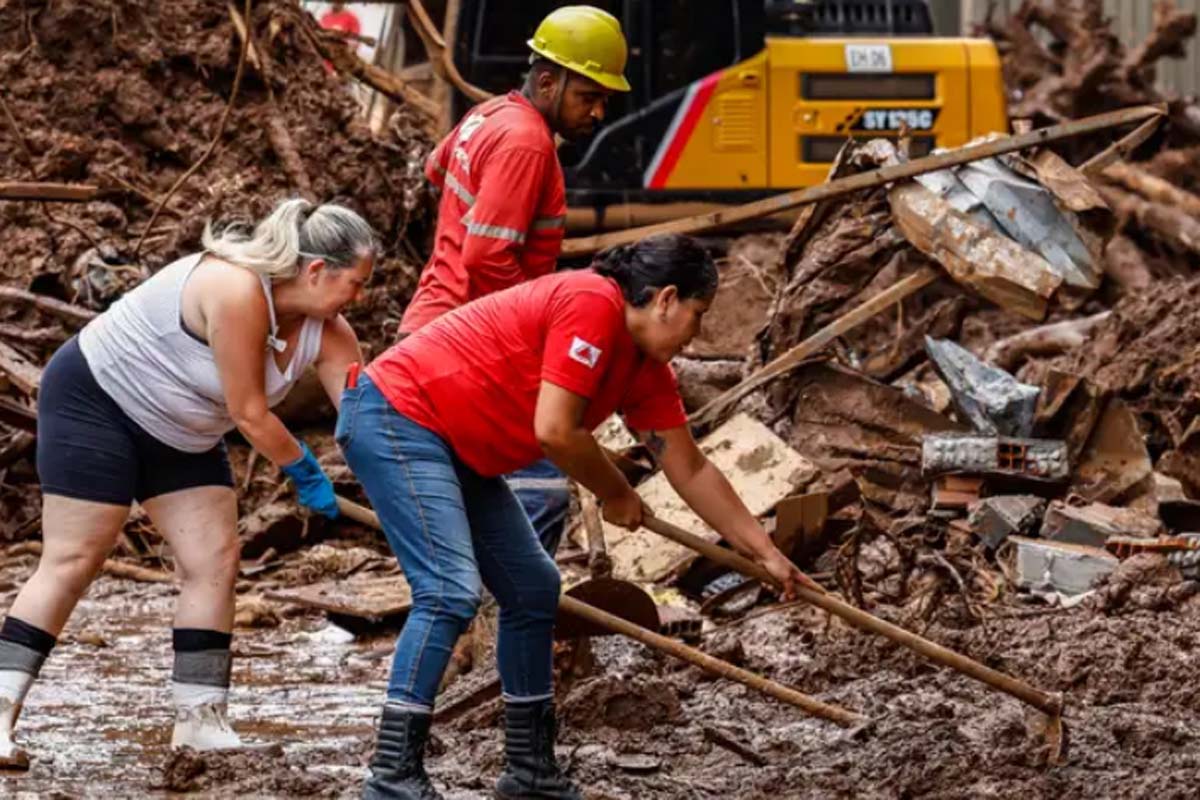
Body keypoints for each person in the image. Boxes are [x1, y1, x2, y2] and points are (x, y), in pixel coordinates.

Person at [338, 234, 819, 799]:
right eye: (697, 315)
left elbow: (689, 468)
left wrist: (764, 552)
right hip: (398, 417)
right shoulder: (592, 302)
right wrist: (617, 493)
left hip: (457, 447)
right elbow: (556, 430)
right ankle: (392, 778)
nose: (696, 335)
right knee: (447, 591)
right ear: (665, 299)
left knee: (533, 587)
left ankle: (529, 772)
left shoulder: (646, 371)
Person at [0, 199, 376, 768]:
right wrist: (304, 471)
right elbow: (249, 413)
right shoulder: (236, 290)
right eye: (356, 283)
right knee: (75, 557)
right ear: (317, 271)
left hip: (182, 430)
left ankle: (200, 718)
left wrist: (399, 481)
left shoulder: (331, 334)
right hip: (97, 400)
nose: (360, 297)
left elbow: (365, 418)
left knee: (216, 562)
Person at [401, 5, 631, 556]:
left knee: (472, 500)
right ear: (548, 80)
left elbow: (436, 169)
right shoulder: (527, 143)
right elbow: (487, 258)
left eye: (604, 100)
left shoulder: (489, 115)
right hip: (469, 347)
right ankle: (508, 626)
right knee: (541, 492)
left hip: (432, 326)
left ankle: (481, 624)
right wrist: (535, 334)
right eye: (588, 97)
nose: (598, 112)